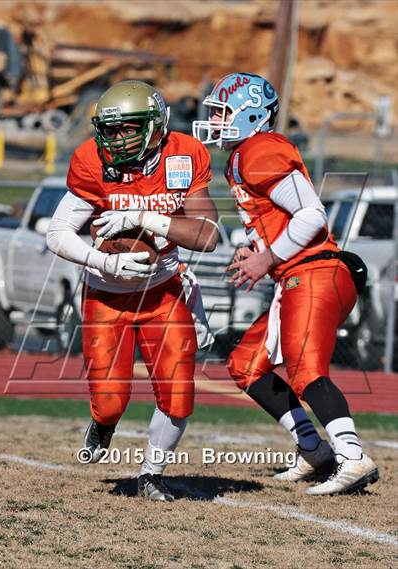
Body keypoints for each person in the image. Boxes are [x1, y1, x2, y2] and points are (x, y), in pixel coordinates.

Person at [193, 72, 378, 495]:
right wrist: (254, 247)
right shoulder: (241, 158)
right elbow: (274, 220)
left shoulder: (261, 149)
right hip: (295, 274)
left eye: (223, 113)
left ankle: (352, 456)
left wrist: (267, 257)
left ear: (251, 115)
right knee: (245, 364)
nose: (216, 121)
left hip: (313, 271)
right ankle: (316, 451)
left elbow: (312, 215)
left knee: (305, 370)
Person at [47, 80, 218, 501]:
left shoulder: (184, 154)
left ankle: (151, 475)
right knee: (109, 402)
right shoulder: (91, 158)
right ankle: (103, 424)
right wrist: (104, 261)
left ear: (157, 125)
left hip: (163, 291)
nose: (116, 138)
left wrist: (144, 216)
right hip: (106, 294)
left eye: (128, 128)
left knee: (178, 394)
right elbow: (57, 232)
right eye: (110, 129)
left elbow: (209, 234)